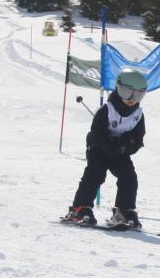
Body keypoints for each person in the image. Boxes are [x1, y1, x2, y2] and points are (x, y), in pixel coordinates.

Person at [64, 68, 149, 227]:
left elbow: (138, 139)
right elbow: (97, 133)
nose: (132, 99)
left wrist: (125, 146)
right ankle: (80, 208)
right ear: (118, 88)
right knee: (95, 174)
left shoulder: (138, 114)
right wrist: (110, 146)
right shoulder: (107, 110)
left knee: (129, 177)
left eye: (138, 95)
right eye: (127, 92)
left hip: (119, 153)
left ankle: (124, 211)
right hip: (98, 149)